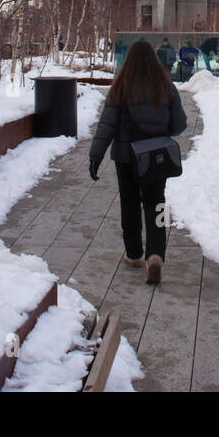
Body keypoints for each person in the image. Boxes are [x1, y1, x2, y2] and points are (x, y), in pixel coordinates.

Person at [88, 39, 187, 285]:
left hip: (126, 157)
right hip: (157, 158)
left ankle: (134, 254)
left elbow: (107, 126)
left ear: (128, 61)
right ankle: (156, 254)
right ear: (154, 60)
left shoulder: (121, 87)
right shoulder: (166, 86)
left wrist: (95, 156)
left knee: (129, 204)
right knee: (157, 205)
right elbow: (179, 125)